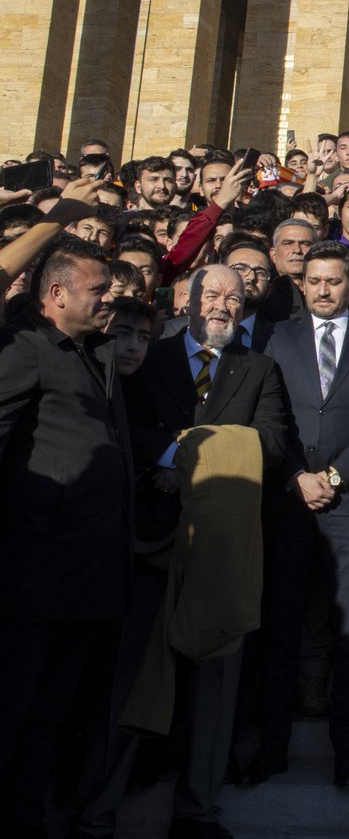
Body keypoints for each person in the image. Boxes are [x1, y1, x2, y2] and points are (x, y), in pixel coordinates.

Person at [82, 264, 287, 839]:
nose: (223, 304)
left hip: (223, 551)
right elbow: (128, 428)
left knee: (215, 693)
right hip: (151, 545)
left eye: (235, 296)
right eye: (212, 294)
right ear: (186, 300)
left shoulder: (259, 369)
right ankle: (98, 813)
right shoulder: (152, 356)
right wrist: (178, 460)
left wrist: (185, 460)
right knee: (130, 686)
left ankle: (197, 812)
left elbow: (270, 441)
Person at [0, 238, 131, 839]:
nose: (112, 297)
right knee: (13, 711)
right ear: (55, 295)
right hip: (33, 575)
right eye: (99, 289)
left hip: (87, 576)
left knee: (49, 717)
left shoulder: (92, 353)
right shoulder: (27, 352)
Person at [244, 242, 349, 790]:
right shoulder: (273, 338)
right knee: (280, 628)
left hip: (346, 504)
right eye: (315, 281)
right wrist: (293, 479)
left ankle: (346, 752)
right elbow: (264, 415)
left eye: (335, 281)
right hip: (285, 501)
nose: (325, 289)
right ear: (301, 284)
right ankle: (272, 748)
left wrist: (331, 478)